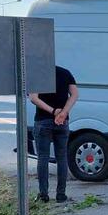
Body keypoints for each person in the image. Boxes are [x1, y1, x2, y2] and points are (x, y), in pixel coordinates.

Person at [29, 66, 78, 203]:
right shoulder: (65, 72)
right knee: (62, 158)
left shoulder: (38, 72)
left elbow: (34, 98)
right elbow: (74, 94)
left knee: (43, 157)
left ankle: (43, 194)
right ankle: (61, 195)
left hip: (43, 121)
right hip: (63, 122)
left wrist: (53, 111)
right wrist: (64, 112)